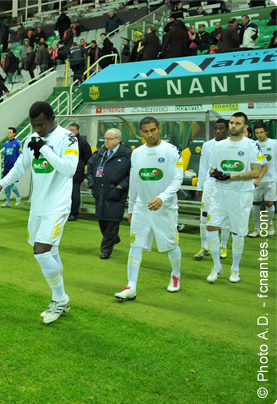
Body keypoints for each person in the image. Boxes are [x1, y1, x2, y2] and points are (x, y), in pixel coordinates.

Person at [0, 102, 78, 324]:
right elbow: (20, 167)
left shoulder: (68, 138)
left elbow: (69, 169)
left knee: (41, 251)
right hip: (38, 206)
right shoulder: (31, 139)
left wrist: (45, 149)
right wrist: (1, 183)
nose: (38, 129)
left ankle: (59, 299)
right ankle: (63, 299)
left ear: (52, 118)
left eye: (41, 124)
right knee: (51, 251)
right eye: (34, 125)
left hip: (57, 205)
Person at [115, 116, 184, 301]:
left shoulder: (171, 151)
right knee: (135, 245)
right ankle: (131, 286)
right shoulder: (137, 153)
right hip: (142, 207)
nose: (150, 134)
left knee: (171, 245)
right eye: (145, 132)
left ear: (159, 128)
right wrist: (131, 208)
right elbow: (134, 182)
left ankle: (176, 275)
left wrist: (162, 198)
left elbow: (178, 179)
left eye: (153, 130)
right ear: (141, 133)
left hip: (165, 207)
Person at [206, 112, 262, 283]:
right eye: (231, 122)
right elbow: (212, 169)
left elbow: (256, 172)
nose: (233, 126)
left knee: (237, 232)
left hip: (241, 195)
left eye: (237, 123)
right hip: (219, 193)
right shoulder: (219, 146)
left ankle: (235, 269)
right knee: (211, 227)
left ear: (245, 127)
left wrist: (231, 176)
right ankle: (217, 267)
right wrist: (216, 174)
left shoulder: (253, 146)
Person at [86, 129, 131, 259]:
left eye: (109, 139)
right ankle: (113, 238)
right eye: (105, 139)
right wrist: (92, 184)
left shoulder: (128, 155)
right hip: (99, 192)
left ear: (118, 140)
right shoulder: (99, 153)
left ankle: (105, 250)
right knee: (102, 221)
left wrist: (120, 186)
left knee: (112, 221)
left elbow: (132, 174)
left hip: (116, 193)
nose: (106, 141)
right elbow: (89, 169)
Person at [194, 119, 231, 260]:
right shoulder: (207, 145)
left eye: (221, 128)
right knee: (204, 214)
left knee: (225, 216)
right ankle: (204, 246)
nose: (218, 131)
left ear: (227, 129)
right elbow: (203, 166)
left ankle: (223, 246)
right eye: (216, 128)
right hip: (209, 183)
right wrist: (200, 187)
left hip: (226, 184)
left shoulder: (232, 145)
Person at [249, 122, 276, 237]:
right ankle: (256, 229)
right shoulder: (254, 145)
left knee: (269, 203)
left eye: (261, 132)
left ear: (266, 132)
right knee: (256, 203)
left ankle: (269, 224)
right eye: (257, 133)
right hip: (256, 180)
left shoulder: (274, 143)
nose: (259, 135)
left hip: (271, 179)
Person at [67, 123, 92, 221]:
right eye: (70, 130)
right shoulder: (65, 141)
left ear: (78, 131)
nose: (71, 132)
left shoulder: (82, 142)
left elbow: (88, 156)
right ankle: (66, 212)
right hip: (66, 171)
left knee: (75, 194)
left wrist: (80, 166)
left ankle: (74, 213)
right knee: (66, 194)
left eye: (73, 130)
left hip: (77, 172)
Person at [1, 127, 22, 207]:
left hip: (13, 166)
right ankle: (8, 202)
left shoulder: (18, 142)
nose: (8, 133)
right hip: (6, 165)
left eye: (10, 132)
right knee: (6, 183)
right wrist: (4, 164)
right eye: (8, 132)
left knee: (10, 183)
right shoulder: (6, 143)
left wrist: (19, 164)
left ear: (14, 134)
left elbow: (21, 153)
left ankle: (18, 196)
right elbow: (5, 154)